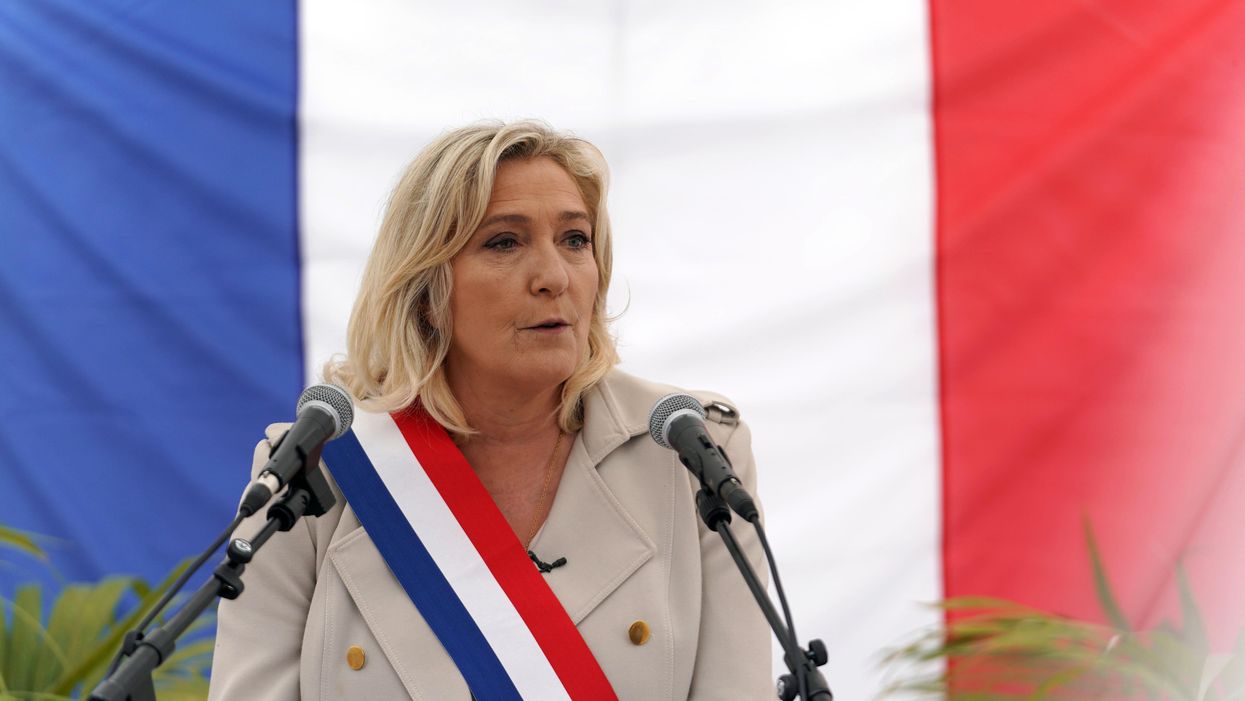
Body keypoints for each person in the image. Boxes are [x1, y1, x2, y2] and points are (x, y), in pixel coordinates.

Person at [208, 121, 771, 700]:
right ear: (426, 291)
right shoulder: (318, 466)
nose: (554, 277)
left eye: (575, 239)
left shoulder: (689, 450)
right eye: (505, 242)